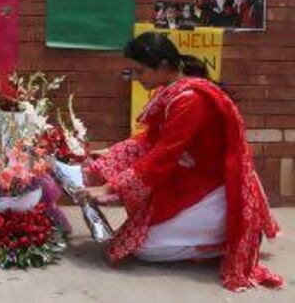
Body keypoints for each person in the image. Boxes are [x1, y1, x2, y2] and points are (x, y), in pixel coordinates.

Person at [80, 32, 282, 291]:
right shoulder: (173, 92)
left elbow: (163, 154)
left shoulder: (190, 100)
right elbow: (151, 140)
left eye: (140, 71)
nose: (137, 78)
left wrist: (110, 188)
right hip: (194, 177)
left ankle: (222, 242)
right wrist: (109, 153)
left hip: (217, 189)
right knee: (134, 236)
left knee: (144, 250)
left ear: (163, 66)